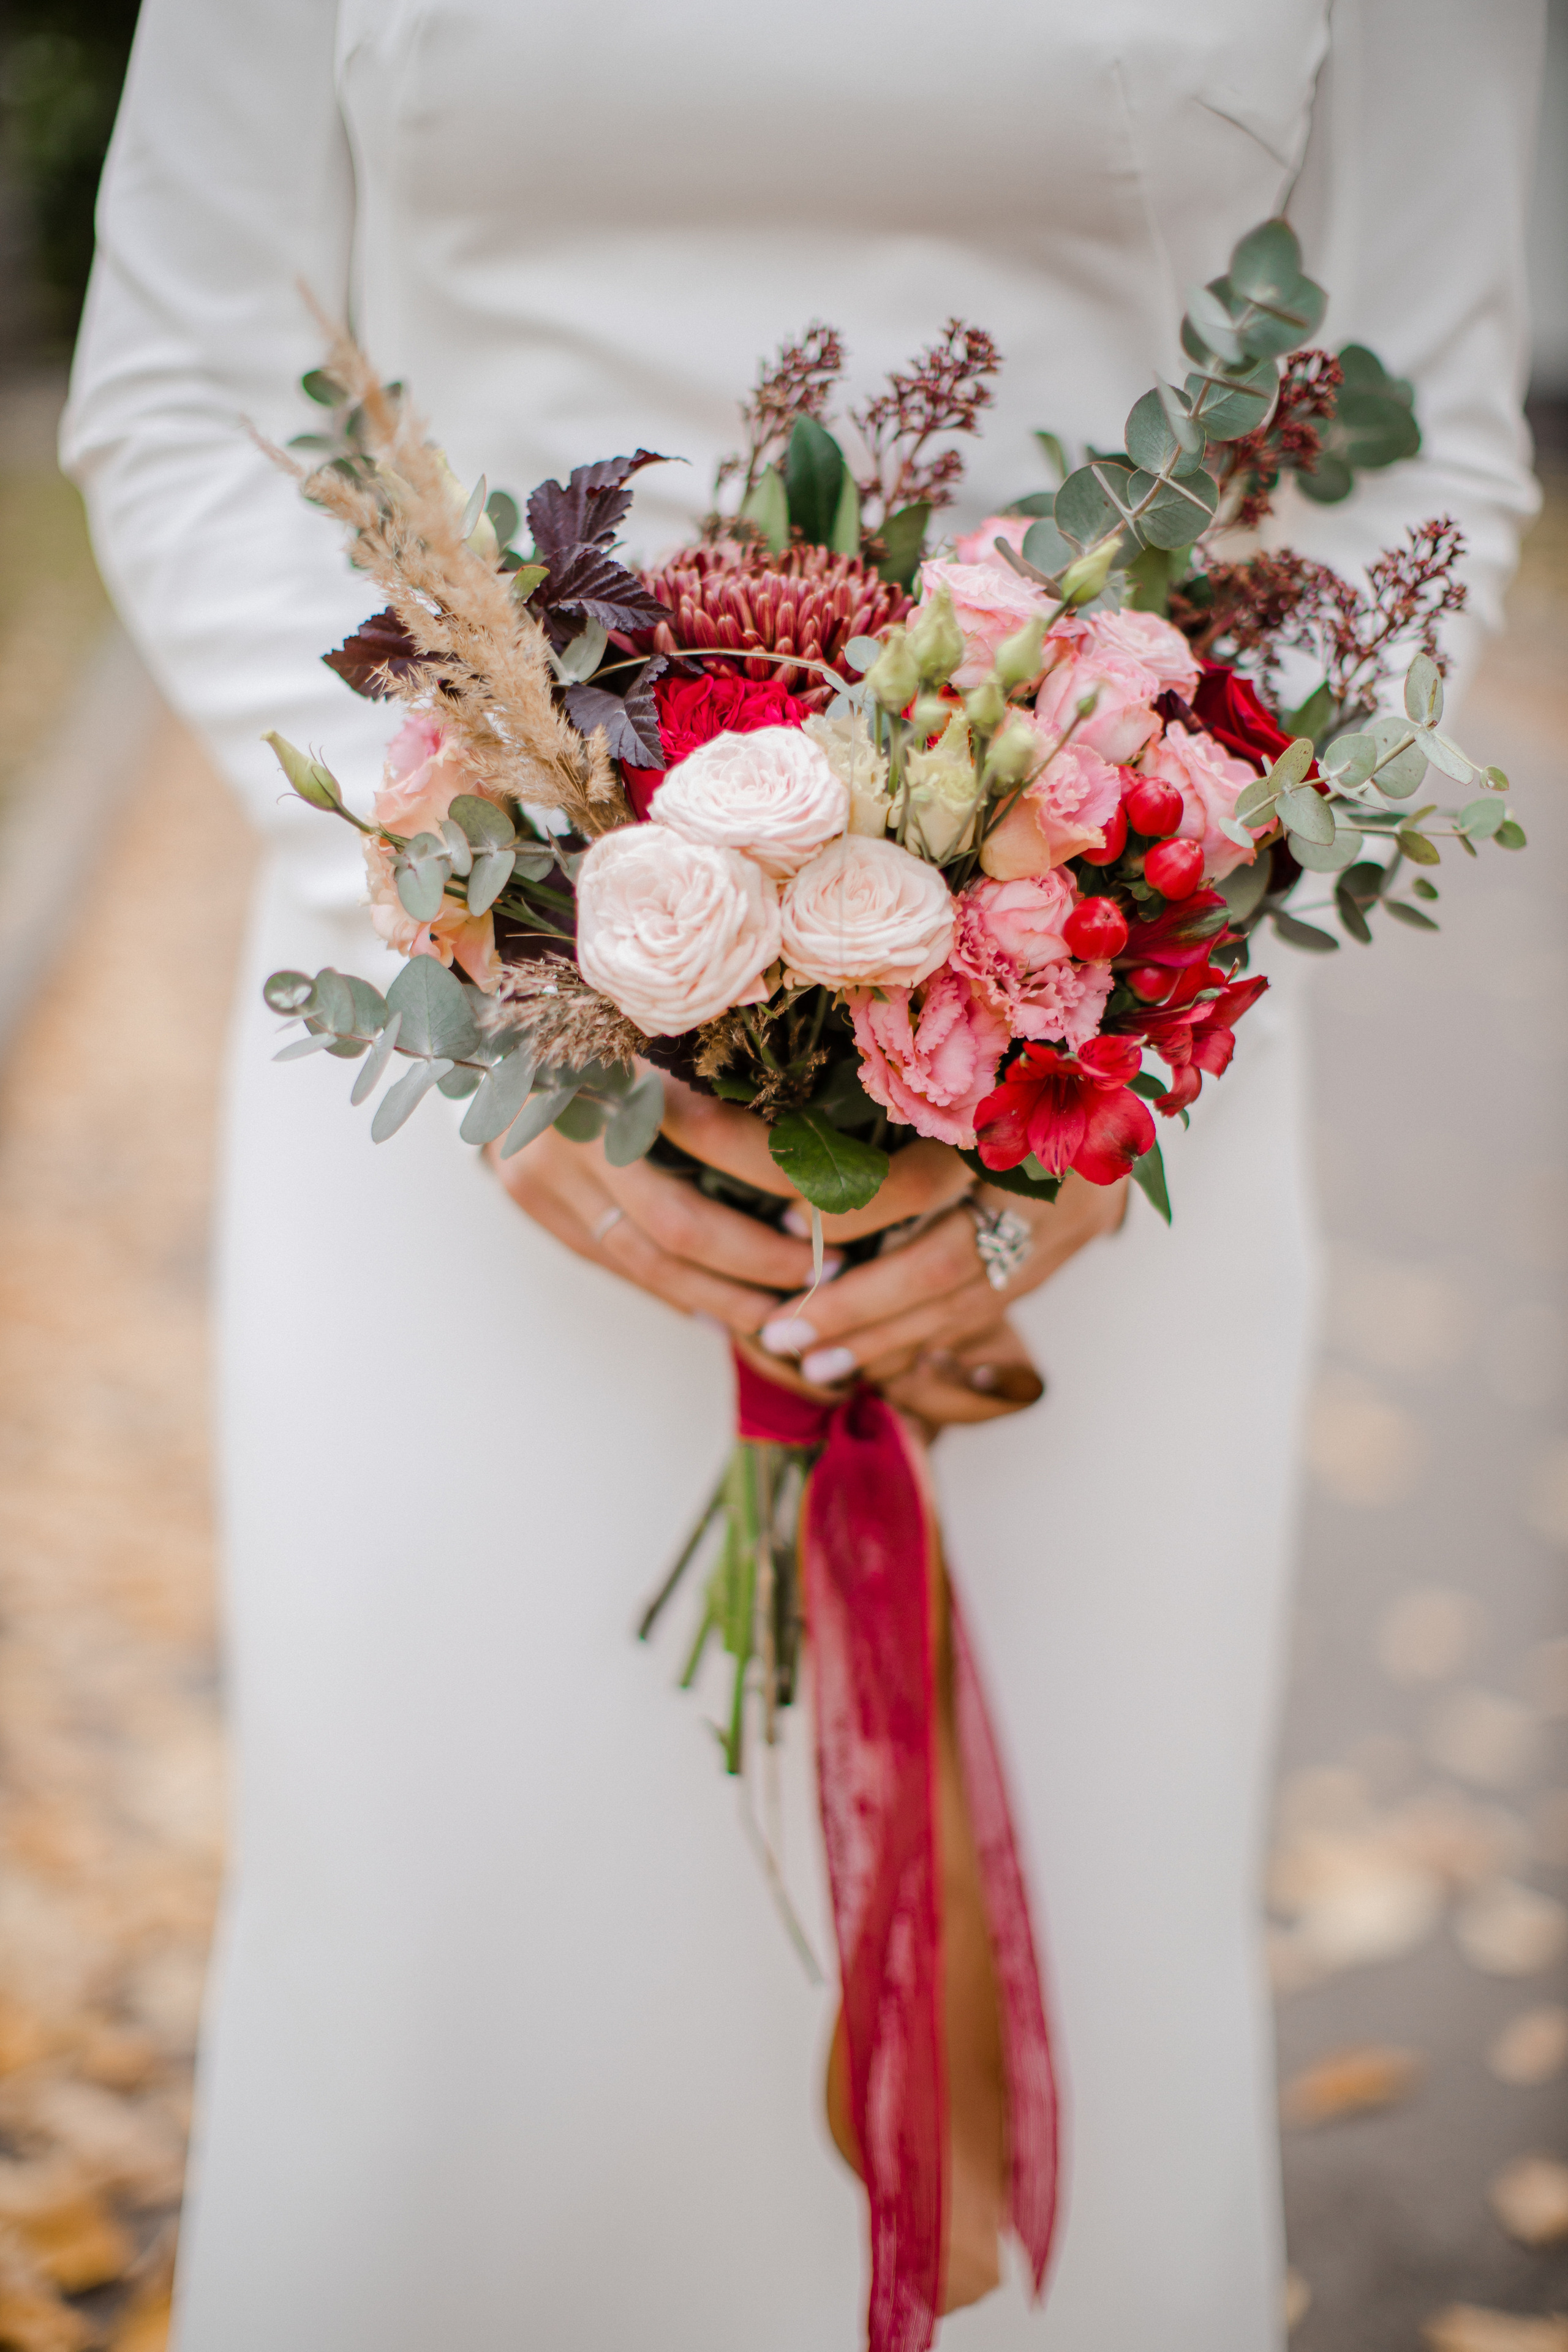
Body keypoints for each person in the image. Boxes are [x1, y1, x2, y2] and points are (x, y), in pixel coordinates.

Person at [62, 2, 1542, 2344]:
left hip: (1099, 1066)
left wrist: (1158, 977)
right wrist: (488, 925)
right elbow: (175, 380)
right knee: (473, 1950)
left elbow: (1426, 437)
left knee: (1081, 1869)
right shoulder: (479, 994)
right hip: (482, 1097)